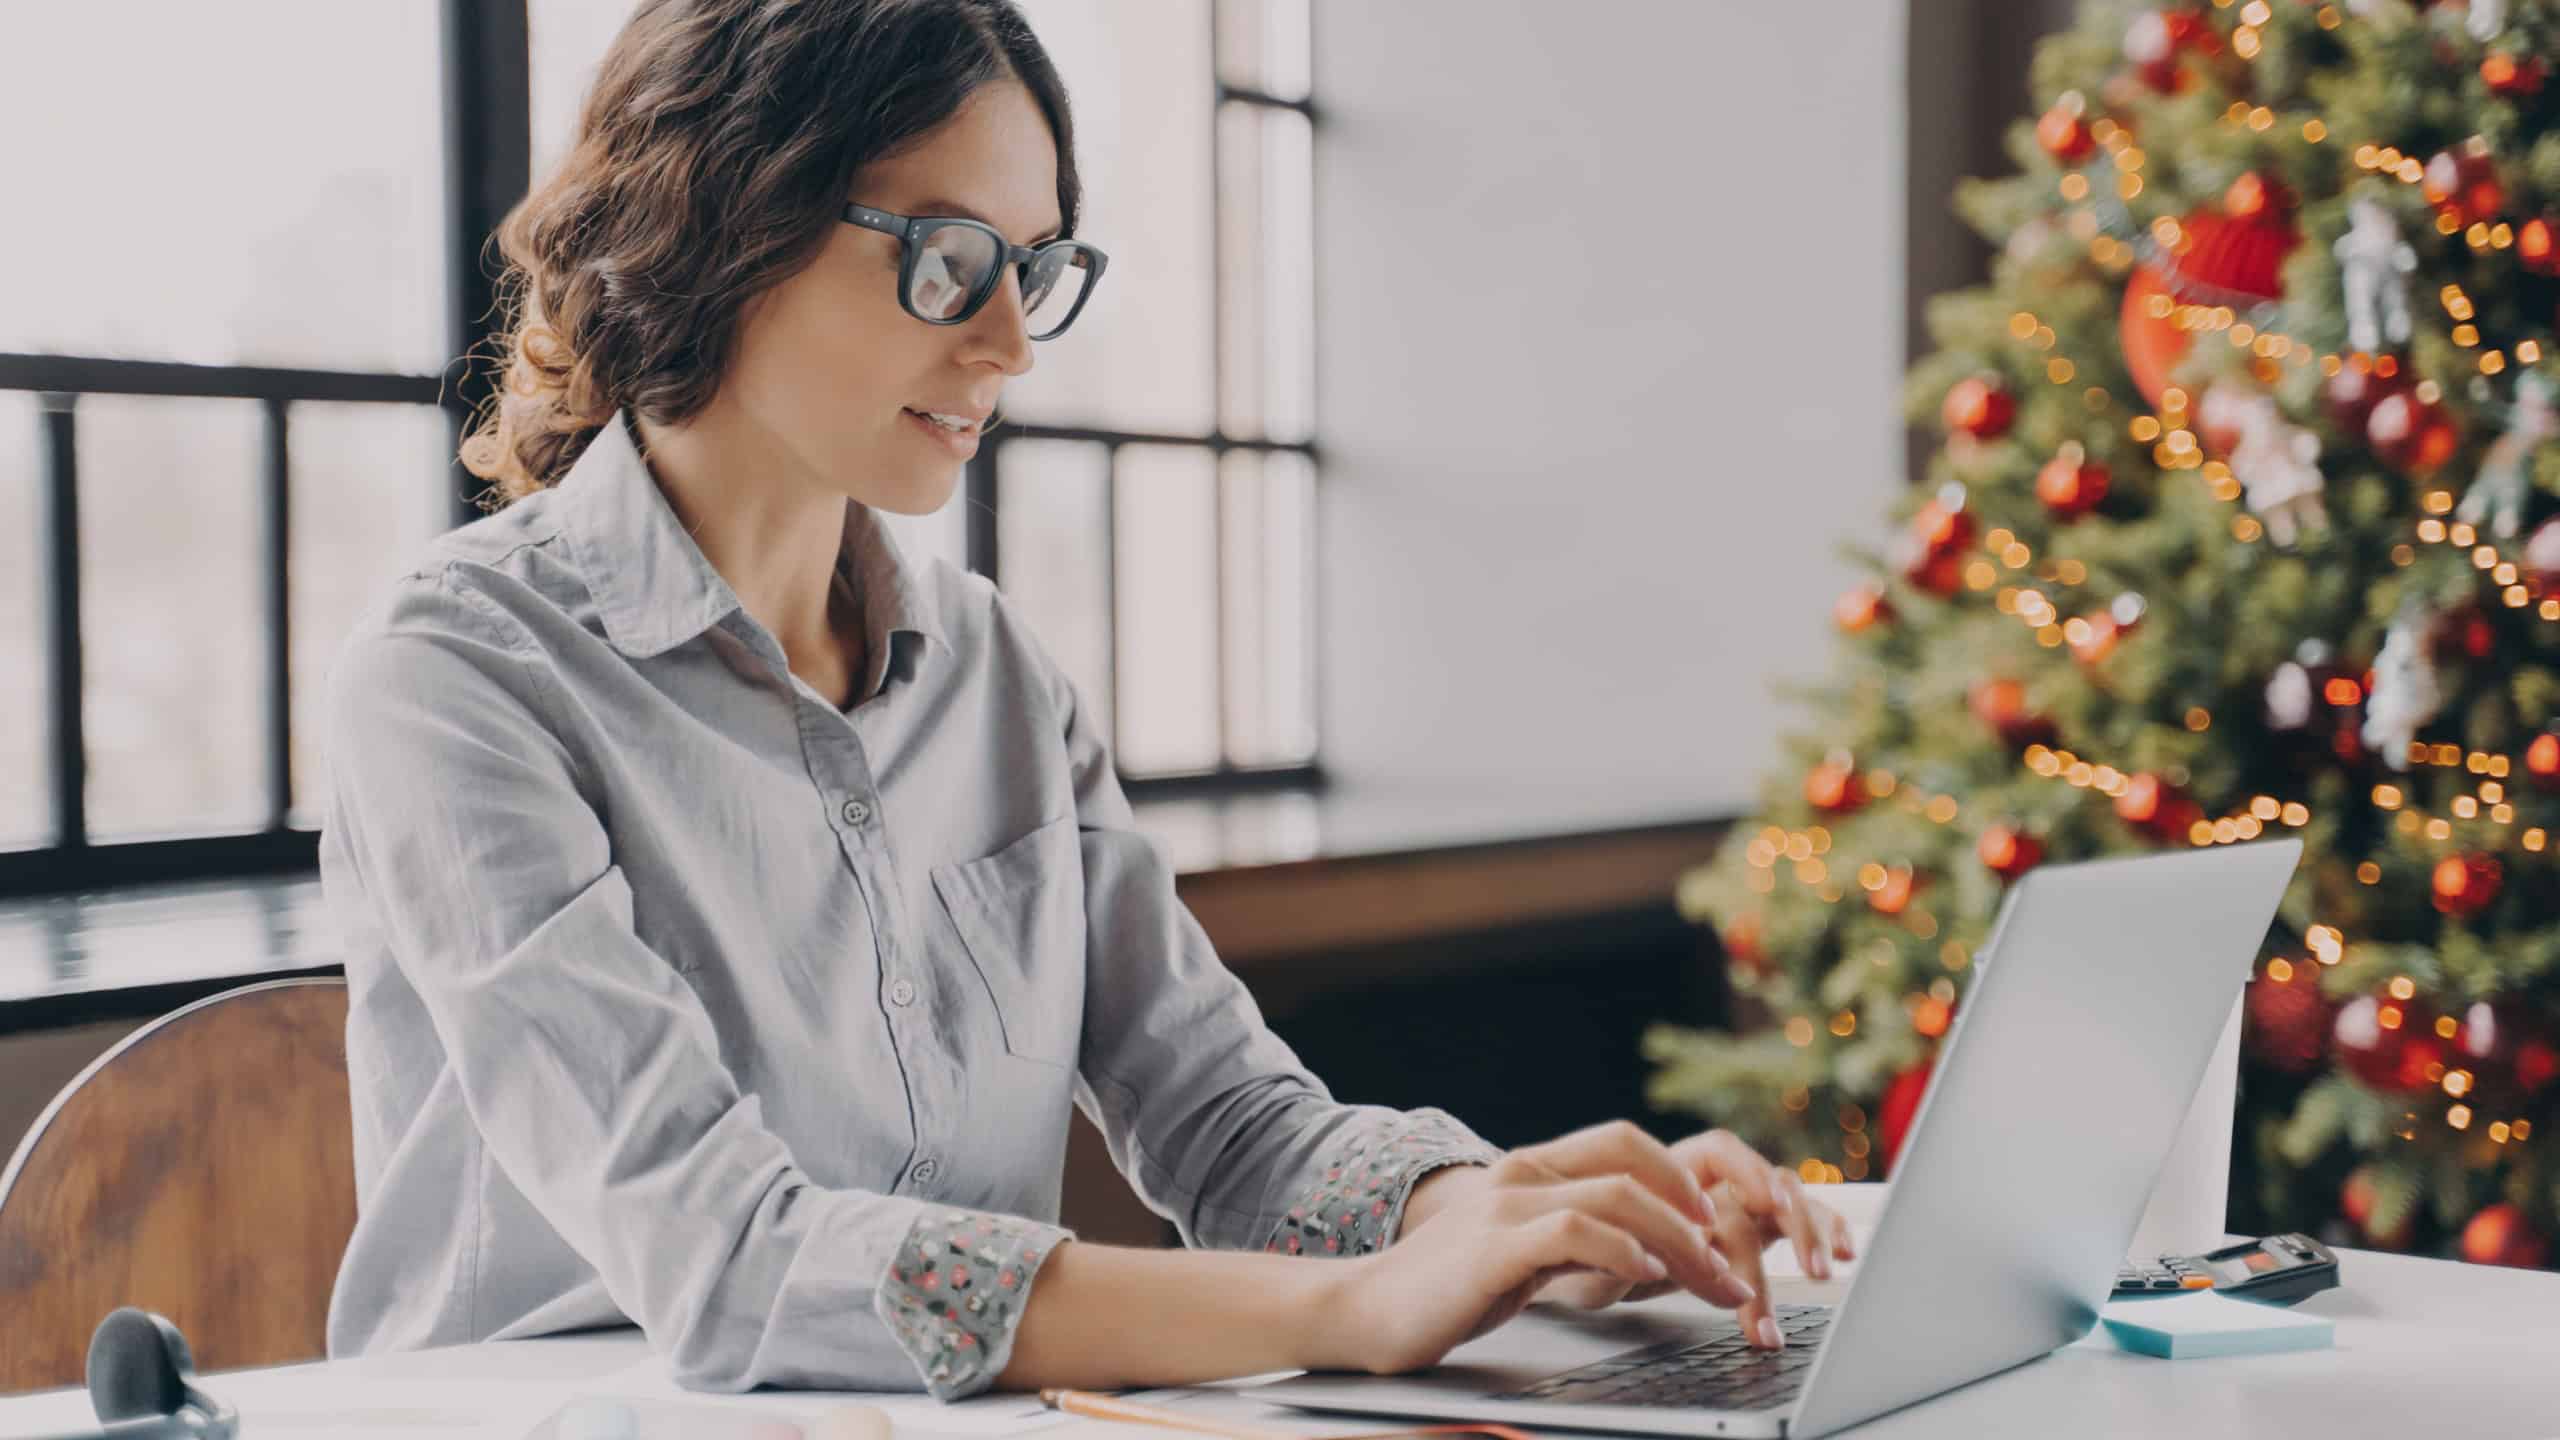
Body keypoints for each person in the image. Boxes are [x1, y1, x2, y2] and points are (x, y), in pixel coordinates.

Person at [318, 0, 1851, 1404]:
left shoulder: (995, 676)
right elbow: (734, 1260)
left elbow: (1232, 1125)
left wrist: (1504, 1219)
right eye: (945, 259)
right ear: (727, 221)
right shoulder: (460, 679)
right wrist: (1355, 1308)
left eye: (1032, 269)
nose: (1003, 344)